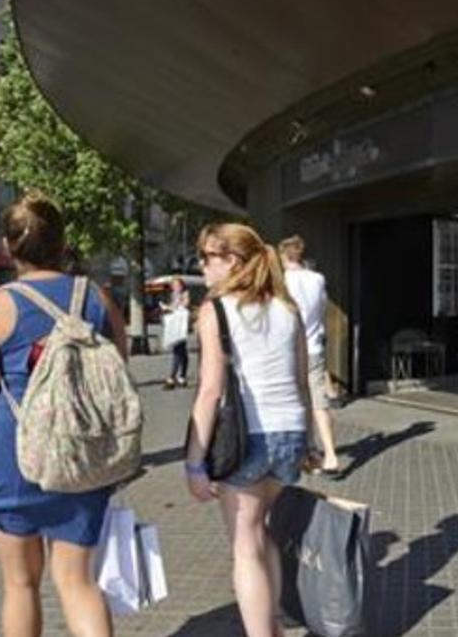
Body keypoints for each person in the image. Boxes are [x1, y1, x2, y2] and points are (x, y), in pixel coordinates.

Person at [0, 194, 127, 637]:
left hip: (13, 457)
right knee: (78, 581)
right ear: (63, 243)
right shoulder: (97, 297)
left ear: (8, 247)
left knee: (20, 584)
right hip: (83, 455)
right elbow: (117, 373)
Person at [186, 224, 311, 637]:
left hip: (248, 439)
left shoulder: (216, 310)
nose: (201, 264)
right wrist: (307, 438)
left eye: (208, 256)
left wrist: (193, 463)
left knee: (244, 547)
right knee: (260, 531)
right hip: (289, 432)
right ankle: (272, 622)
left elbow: (209, 392)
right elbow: (302, 379)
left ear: (233, 262)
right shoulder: (287, 308)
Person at [278, 235, 339, 474]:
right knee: (318, 404)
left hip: (290, 350)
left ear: (284, 256)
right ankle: (330, 454)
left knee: (297, 403)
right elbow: (322, 309)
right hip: (314, 346)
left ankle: (306, 452)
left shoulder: (281, 282)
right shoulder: (318, 279)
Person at [162, 277, 191, 389]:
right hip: (175, 326)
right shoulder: (173, 295)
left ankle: (172, 377)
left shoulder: (185, 294)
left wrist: (175, 305)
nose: (175, 287)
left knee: (178, 350)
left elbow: (185, 305)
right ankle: (182, 376)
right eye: (173, 285)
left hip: (181, 326)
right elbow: (173, 308)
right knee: (181, 351)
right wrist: (167, 307)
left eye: (177, 285)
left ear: (182, 285)